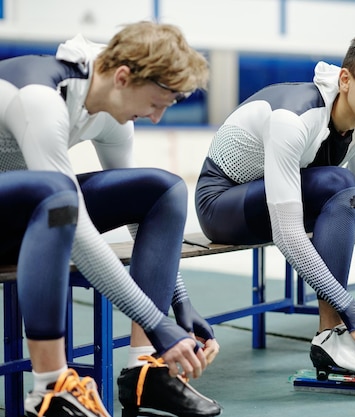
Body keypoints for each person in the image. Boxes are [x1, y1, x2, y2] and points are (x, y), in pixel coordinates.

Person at [0, 21, 221, 417]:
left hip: (18, 216)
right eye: (156, 104)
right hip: (20, 210)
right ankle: (50, 390)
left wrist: (179, 301)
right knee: (57, 192)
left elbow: (140, 216)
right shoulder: (40, 97)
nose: (155, 118)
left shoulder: (113, 113)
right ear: (123, 77)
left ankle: (146, 372)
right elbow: (79, 230)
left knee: (161, 189)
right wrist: (157, 321)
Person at [195, 30, 355, 375]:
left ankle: (335, 333)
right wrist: (348, 306)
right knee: (339, 183)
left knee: (353, 191)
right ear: (346, 80)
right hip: (222, 204)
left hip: (277, 197)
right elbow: (286, 233)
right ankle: (331, 334)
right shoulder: (294, 119)